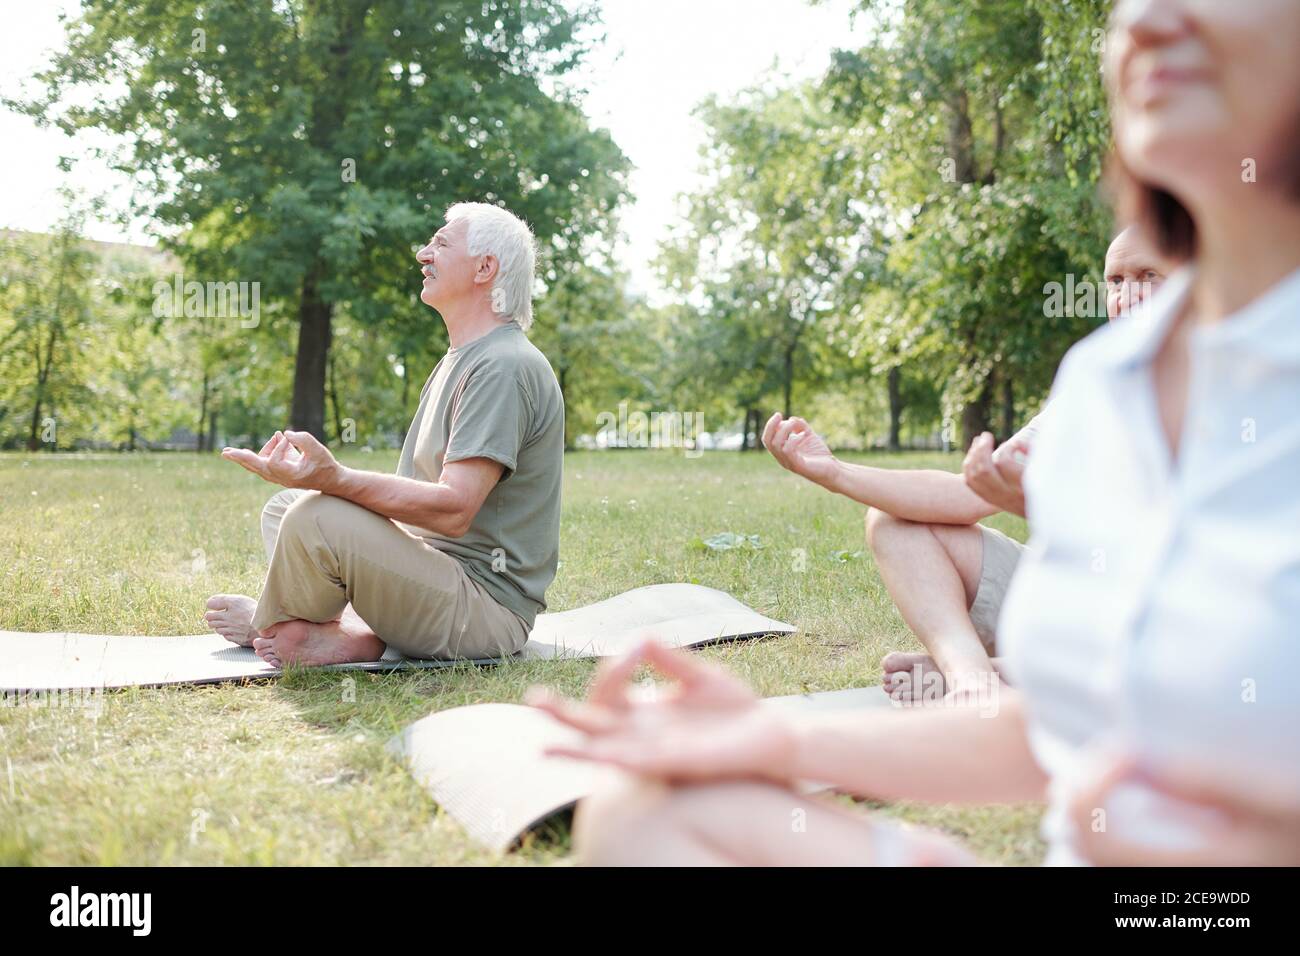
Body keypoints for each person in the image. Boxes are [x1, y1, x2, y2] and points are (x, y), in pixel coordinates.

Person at [530, 0, 1300, 866]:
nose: (1150, 19)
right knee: (645, 814)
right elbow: (1062, 732)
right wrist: (772, 743)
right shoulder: (1107, 383)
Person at [763, 224, 1173, 701]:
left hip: (1163, 625)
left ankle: (1015, 673)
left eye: (1148, 276)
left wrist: (1041, 506)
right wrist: (834, 472)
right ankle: (973, 678)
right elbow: (966, 496)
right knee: (897, 524)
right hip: (1073, 607)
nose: (1127, 297)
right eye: (1116, 282)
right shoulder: (1091, 383)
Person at [203, 202, 564, 667]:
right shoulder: (464, 358)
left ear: (485, 267)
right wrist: (318, 482)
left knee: (315, 517)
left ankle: (290, 628)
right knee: (288, 508)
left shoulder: (503, 366)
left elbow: (454, 511)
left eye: (441, 243)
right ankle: (348, 635)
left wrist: (334, 480)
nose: (423, 254)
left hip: (483, 612)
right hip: (434, 575)